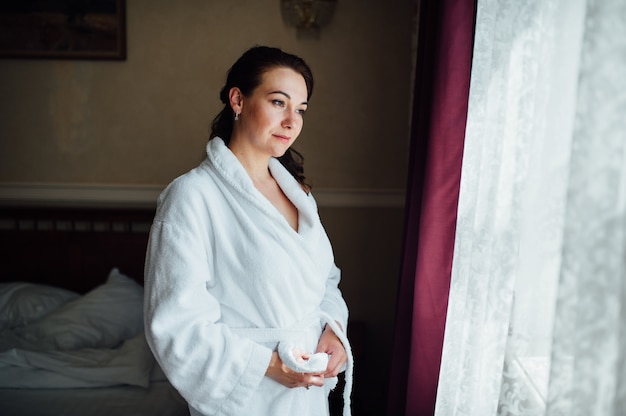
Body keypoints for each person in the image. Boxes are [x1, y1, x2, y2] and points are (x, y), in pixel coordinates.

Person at [143, 45, 353, 416]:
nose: (292, 121)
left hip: (307, 395)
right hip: (248, 396)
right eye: (278, 102)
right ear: (237, 100)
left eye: (301, 110)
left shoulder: (298, 193)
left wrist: (332, 331)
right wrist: (270, 366)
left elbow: (325, 282)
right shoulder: (192, 196)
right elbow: (176, 324)